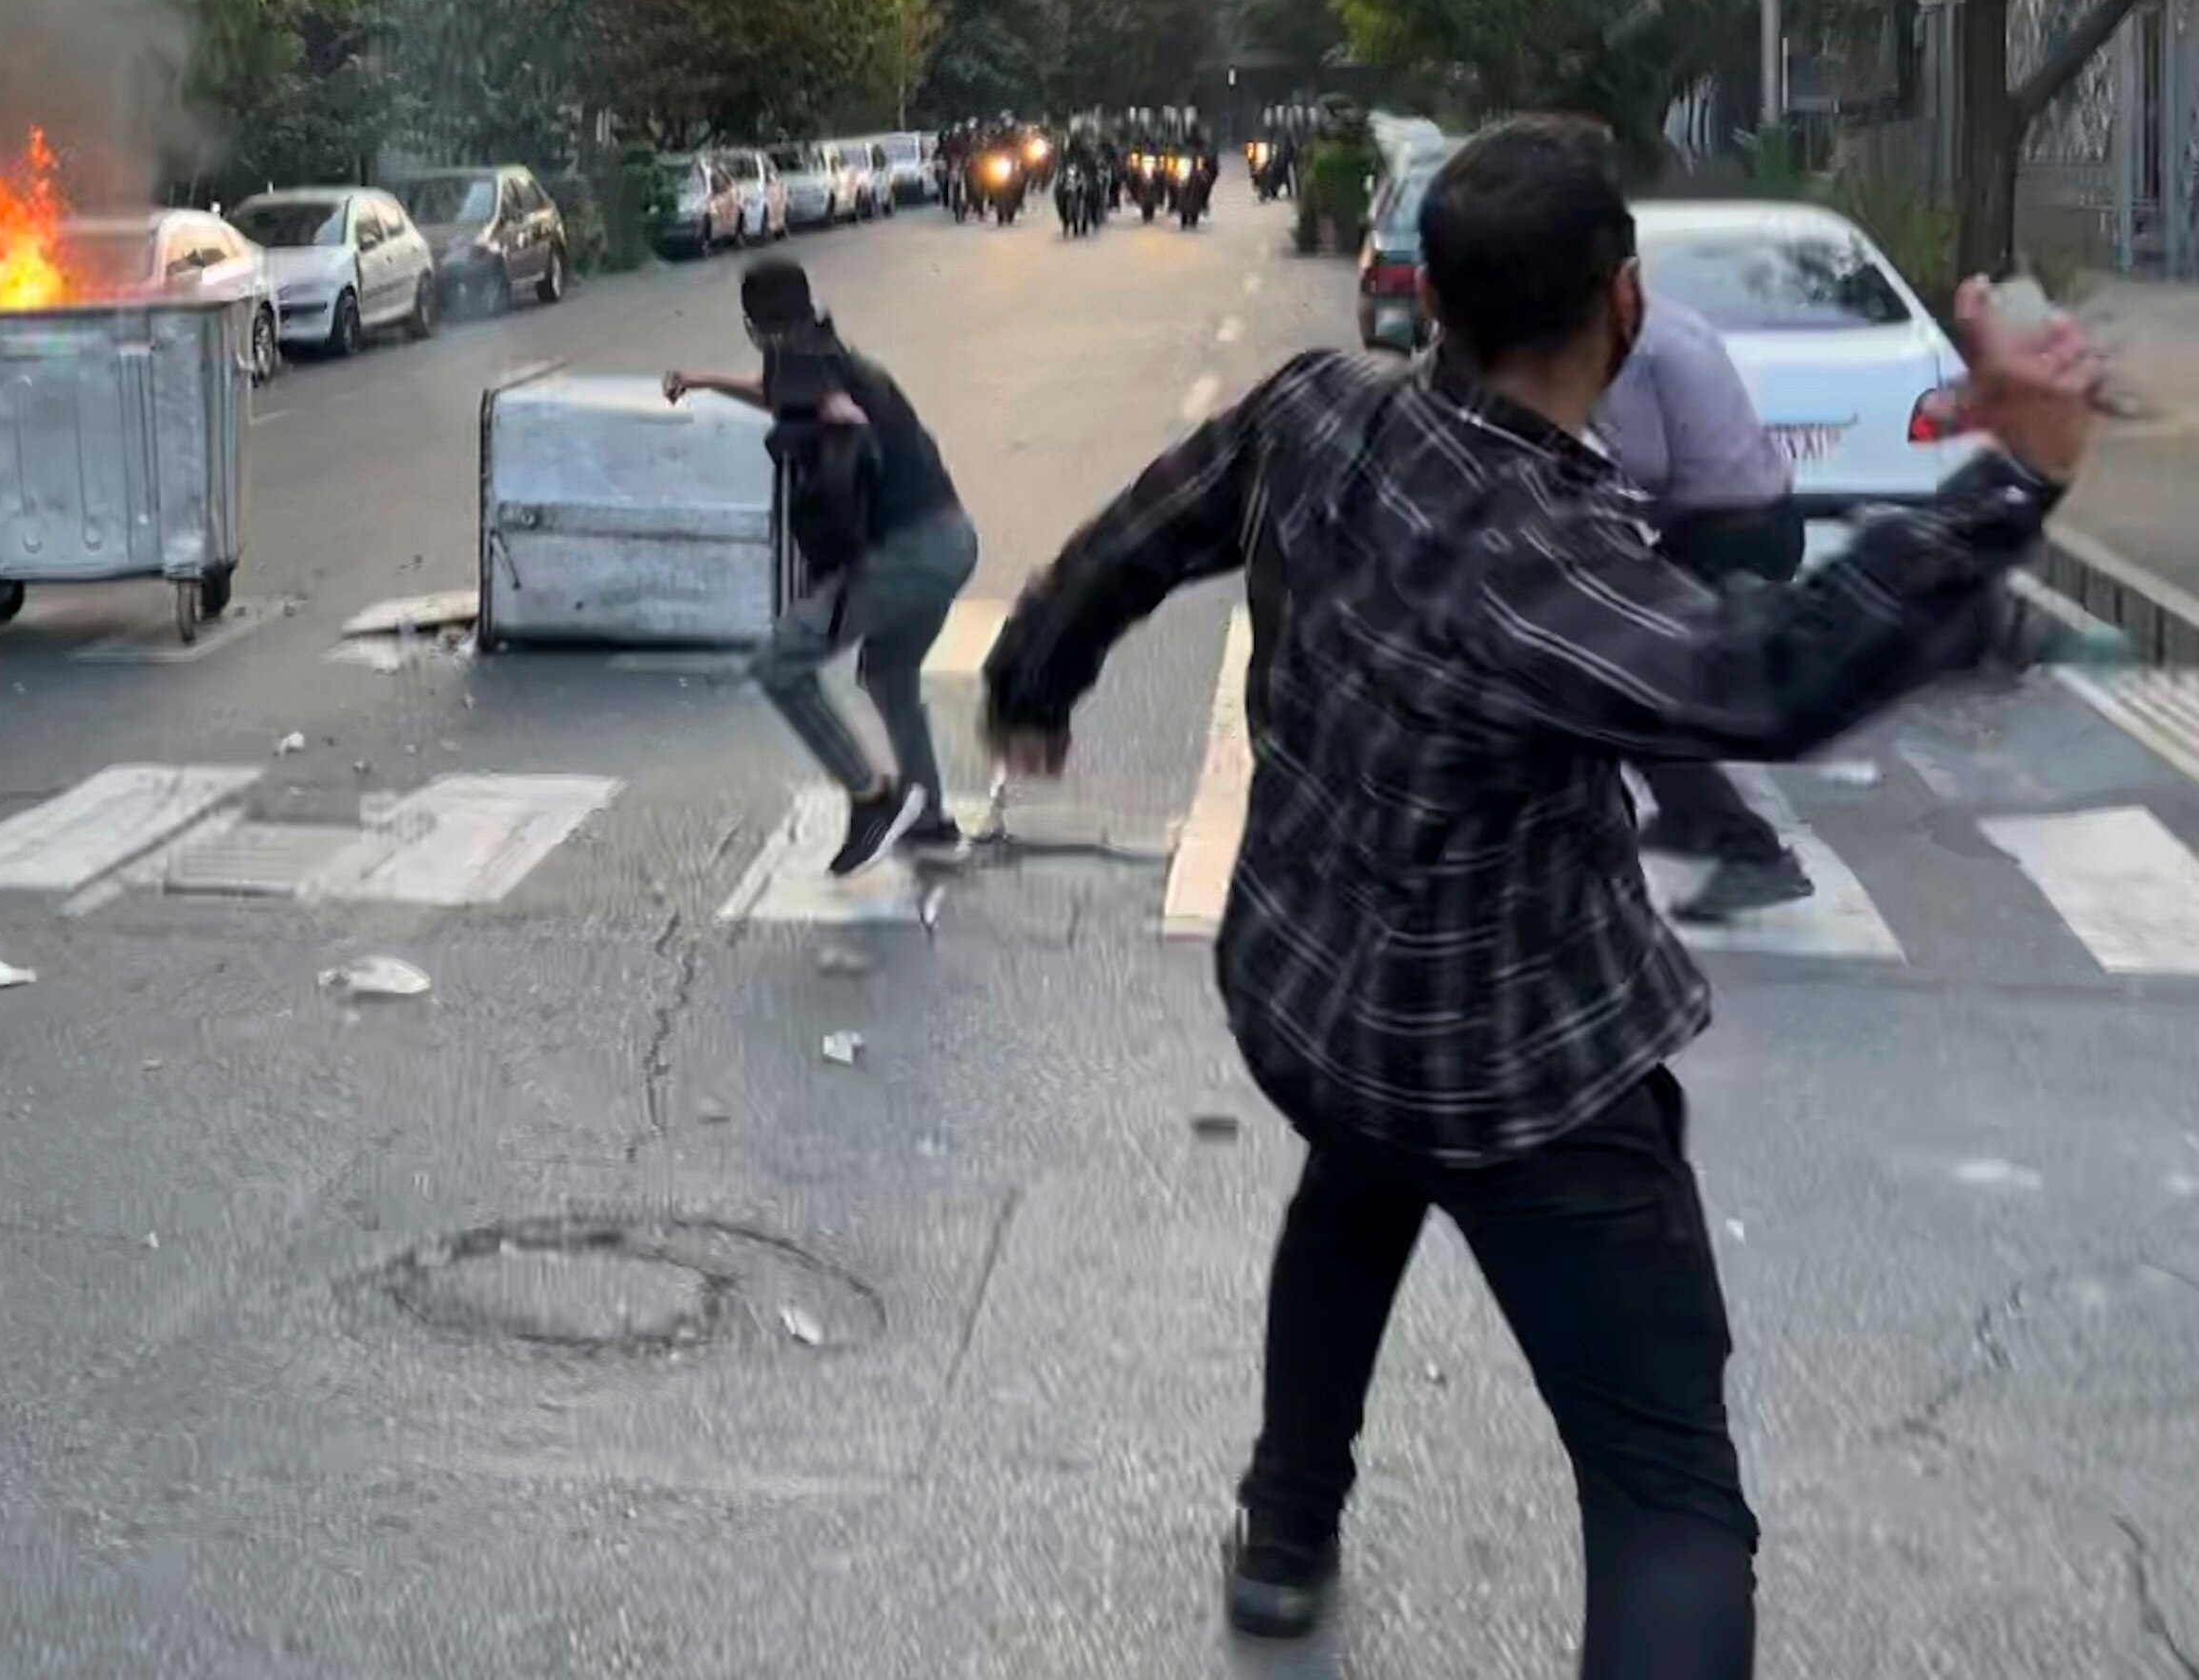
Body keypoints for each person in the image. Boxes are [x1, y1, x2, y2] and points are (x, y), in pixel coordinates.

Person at [980, 119, 2096, 1672]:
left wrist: (1034, 674)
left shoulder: (1314, 411)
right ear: (1624, 304)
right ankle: (1288, 1527)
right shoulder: (1548, 555)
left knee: (1353, 1188)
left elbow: (1139, 531)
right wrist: (2012, 477)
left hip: (1311, 1003)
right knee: (1666, 1494)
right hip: (1529, 1077)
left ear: (1430, 298)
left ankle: (1285, 1536)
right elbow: (1768, 672)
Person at [666, 255, 982, 875]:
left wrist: (843, 446)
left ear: (754, 327)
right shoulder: (820, 355)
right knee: (888, 676)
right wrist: (704, 381)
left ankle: (871, 799)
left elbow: (836, 414)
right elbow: (785, 398)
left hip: (906, 553)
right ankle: (929, 822)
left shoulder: (810, 369)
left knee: (779, 665)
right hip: (952, 542)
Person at [1592, 286, 1816, 920]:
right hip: (1764, 520)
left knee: (1634, 690)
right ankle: (1692, 819)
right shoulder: (1672, 319)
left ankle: (1747, 852)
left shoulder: (1625, 347)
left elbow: (1647, 465)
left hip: (1727, 534)